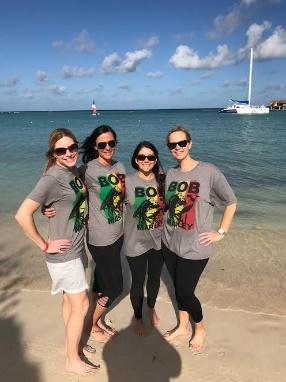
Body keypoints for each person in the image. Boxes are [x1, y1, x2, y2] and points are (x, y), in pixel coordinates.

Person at [15, 128, 97, 376]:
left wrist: (48, 208)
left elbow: (61, 203)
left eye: (73, 147)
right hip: (64, 253)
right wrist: (44, 244)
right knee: (81, 305)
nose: (69, 153)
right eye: (62, 150)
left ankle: (74, 347)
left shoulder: (71, 172)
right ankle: (72, 359)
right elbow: (21, 214)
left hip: (76, 247)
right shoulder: (52, 177)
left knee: (68, 302)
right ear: (53, 153)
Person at [162, 126, 237, 351]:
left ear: (190, 143)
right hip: (170, 242)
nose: (177, 148)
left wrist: (221, 232)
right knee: (177, 288)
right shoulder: (171, 173)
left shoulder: (208, 171)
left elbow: (231, 202)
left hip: (196, 247)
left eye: (181, 143)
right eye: (172, 145)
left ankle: (200, 328)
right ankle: (182, 326)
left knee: (185, 292)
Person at [82, 125, 126, 342]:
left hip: (119, 234)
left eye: (111, 143)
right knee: (116, 286)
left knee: (100, 280)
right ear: (95, 146)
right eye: (102, 144)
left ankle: (97, 319)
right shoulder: (88, 170)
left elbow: (126, 196)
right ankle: (90, 324)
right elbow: (67, 191)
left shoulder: (120, 166)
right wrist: (48, 208)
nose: (108, 147)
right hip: (100, 238)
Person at [122, 141, 165, 336]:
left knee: (154, 279)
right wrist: (50, 207)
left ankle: (151, 308)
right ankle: (138, 318)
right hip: (134, 241)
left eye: (150, 157)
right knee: (138, 281)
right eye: (141, 157)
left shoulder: (163, 181)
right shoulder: (126, 182)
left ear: (155, 159)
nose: (146, 160)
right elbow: (100, 198)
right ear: (135, 160)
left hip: (159, 240)